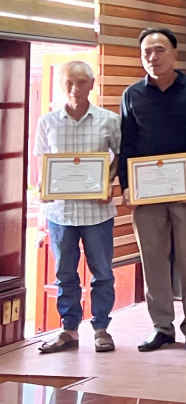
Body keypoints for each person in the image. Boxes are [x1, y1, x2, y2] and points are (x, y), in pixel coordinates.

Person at [118, 28, 186, 352]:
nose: (153, 57)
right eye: (146, 52)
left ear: (175, 53)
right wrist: (126, 185)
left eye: (159, 50)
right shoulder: (132, 94)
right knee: (153, 260)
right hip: (147, 193)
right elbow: (127, 143)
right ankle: (161, 327)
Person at [33, 61, 119, 354]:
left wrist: (108, 182)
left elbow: (120, 155)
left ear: (92, 84)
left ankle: (101, 328)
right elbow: (42, 162)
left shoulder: (109, 120)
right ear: (61, 84)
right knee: (65, 275)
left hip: (98, 212)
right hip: (60, 212)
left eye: (81, 82)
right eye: (69, 82)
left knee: (102, 273)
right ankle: (69, 330)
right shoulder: (47, 122)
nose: (74, 88)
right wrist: (44, 187)